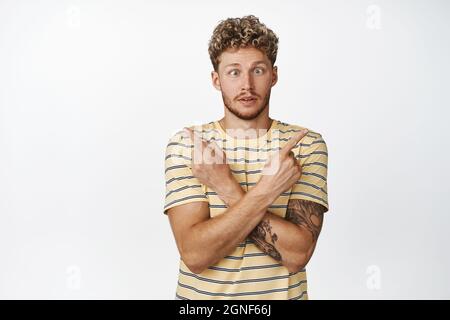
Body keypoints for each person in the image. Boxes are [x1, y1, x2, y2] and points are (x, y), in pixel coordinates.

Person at [163, 15, 329, 300]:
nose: (247, 86)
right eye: (234, 72)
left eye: (258, 70)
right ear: (216, 79)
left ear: (274, 75)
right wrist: (267, 191)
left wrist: (225, 186)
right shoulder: (189, 145)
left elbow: (297, 254)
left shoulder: (304, 145)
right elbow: (195, 254)